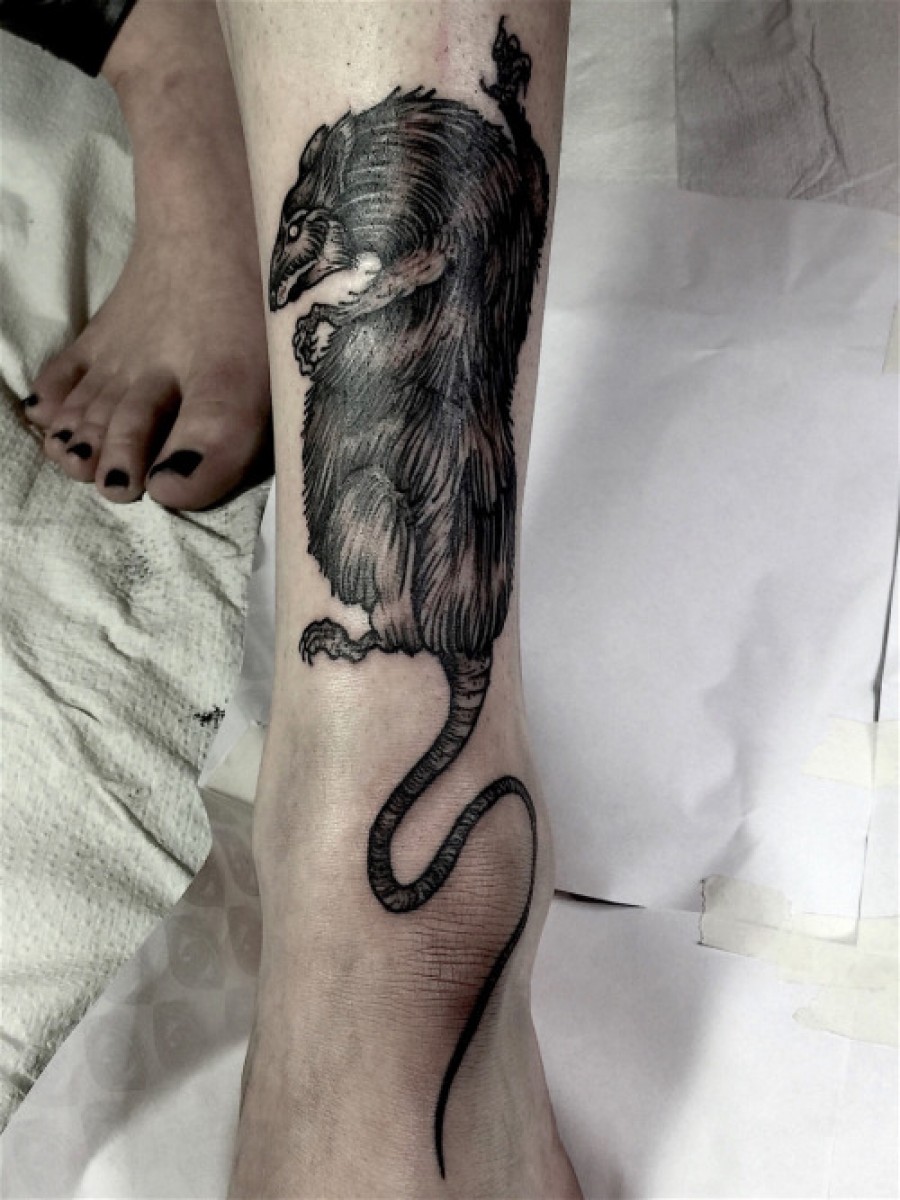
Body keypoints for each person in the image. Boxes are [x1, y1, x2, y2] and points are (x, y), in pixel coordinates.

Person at [5, 1, 582, 1194]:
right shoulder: (377, 187)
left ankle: (370, 821)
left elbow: (457, 252)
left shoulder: (440, 192)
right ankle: (175, 61)